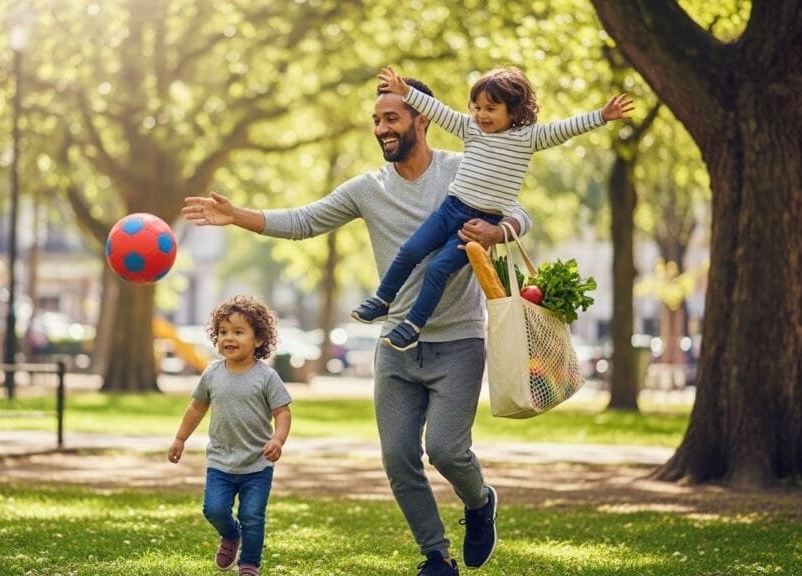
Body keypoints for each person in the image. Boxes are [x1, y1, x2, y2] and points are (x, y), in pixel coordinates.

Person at [182, 77, 531, 575]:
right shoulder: (369, 189)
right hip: (395, 345)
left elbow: (519, 210)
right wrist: (237, 215)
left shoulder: (464, 167)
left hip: (458, 340)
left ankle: (480, 503)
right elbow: (304, 221)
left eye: (391, 118)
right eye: (376, 121)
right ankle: (436, 556)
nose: (382, 129)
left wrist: (500, 229)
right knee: (398, 458)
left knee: (448, 451)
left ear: (421, 117)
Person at [351, 65, 633, 351]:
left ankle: (413, 326)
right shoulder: (470, 128)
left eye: (491, 108)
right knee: (411, 250)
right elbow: (437, 110)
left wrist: (601, 116)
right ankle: (382, 299)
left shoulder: (528, 138)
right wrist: (406, 92)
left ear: (513, 110)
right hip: (450, 209)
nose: (482, 115)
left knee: (437, 269)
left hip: (478, 225)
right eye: (477, 107)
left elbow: (564, 129)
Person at [168, 295, 293, 576]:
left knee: (252, 515)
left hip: (257, 463)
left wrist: (278, 439)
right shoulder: (212, 373)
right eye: (223, 332)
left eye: (238, 332)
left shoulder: (266, 377)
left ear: (259, 339)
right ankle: (230, 534)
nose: (229, 338)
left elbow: (282, 412)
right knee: (214, 510)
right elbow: (197, 407)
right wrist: (180, 438)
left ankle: (249, 563)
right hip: (221, 462)